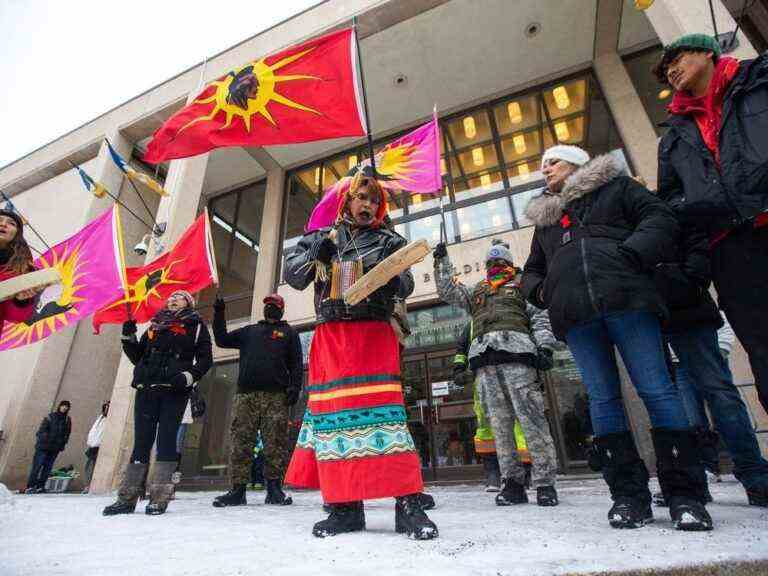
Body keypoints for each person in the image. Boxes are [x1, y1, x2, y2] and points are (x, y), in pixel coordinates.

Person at [522, 145, 713, 531]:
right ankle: (627, 497)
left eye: (553, 162)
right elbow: (531, 271)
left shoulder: (618, 188)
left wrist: (632, 254)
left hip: (629, 301)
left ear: (577, 162)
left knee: (658, 391)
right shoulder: (546, 219)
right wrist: (544, 293)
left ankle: (686, 496)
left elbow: (659, 217)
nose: (545, 170)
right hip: (576, 316)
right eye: (542, 165)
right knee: (602, 399)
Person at [283, 169, 437, 540]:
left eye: (374, 200)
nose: (367, 205)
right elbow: (294, 276)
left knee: (387, 418)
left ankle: (408, 505)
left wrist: (390, 276)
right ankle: (345, 507)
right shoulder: (320, 236)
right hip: (331, 336)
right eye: (361, 197)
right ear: (346, 200)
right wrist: (314, 255)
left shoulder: (388, 239)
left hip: (373, 335)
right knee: (335, 422)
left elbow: (407, 282)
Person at [654, 34, 768, 417]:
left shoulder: (759, 81)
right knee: (762, 347)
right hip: (730, 247)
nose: (671, 69)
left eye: (677, 57)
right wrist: (699, 206)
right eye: (664, 70)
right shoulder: (672, 138)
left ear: (707, 52)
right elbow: (670, 198)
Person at [435, 238, 559, 507]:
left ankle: (545, 483)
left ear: (510, 263)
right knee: (500, 428)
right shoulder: (479, 290)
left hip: (519, 361)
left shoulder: (522, 285)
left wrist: (546, 348)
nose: (495, 265)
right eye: (491, 262)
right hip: (486, 366)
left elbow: (540, 318)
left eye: (500, 261)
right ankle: (511, 482)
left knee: (532, 423)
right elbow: (448, 291)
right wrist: (442, 261)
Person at [655, 212, 768, 508]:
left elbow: (700, 261)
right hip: (662, 333)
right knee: (687, 416)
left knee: (722, 398)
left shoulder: (672, 219)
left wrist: (687, 280)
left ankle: (754, 474)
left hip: (693, 321)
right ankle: (694, 480)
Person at [103, 290, 212, 516]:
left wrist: (187, 377)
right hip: (147, 389)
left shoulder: (196, 325)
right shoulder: (155, 324)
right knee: (141, 442)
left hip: (174, 391)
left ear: (189, 303)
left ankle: (159, 497)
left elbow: (205, 360)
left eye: (179, 297)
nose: (172, 299)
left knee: (166, 441)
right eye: (171, 296)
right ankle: (127, 498)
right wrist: (128, 336)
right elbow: (138, 356)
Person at [211, 293, 301, 508]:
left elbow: (297, 364)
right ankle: (237, 490)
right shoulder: (249, 331)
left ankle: (274, 489)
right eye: (267, 305)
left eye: (274, 305)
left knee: (275, 443)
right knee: (241, 442)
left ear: (281, 309)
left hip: (276, 397)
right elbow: (222, 339)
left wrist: (295, 388)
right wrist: (219, 313)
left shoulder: (289, 333)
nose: (270, 307)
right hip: (246, 396)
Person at [452, 321, 532, 493]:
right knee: (486, 429)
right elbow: (461, 349)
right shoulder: (472, 325)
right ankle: (493, 473)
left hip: (512, 375)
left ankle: (526, 472)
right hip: (483, 381)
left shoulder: (509, 311)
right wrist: (458, 369)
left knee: (519, 427)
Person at [0, 208, 37, 335]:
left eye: (11, 223)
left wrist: (21, 301)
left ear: (16, 234)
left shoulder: (22, 270)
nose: (3, 224)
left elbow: (15, 317)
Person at [25, 400, 72, 494]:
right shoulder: (50, 416)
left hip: (55, 448)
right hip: (43, 447)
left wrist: (62, 444)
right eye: (63, 405)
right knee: (37, 466)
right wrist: (46, 439)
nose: (64, 408)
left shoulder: (67, 420)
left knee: (47, 468)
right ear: (59, 406)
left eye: (66, 406)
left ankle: (40, 487)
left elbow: (67, 434)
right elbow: (41, 431)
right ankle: (30, 486)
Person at [82, 401, 109, 494]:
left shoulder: (108, 420)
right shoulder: (100, 418)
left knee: (93, 466)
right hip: (93, 445)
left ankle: (92, 486)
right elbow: (94, 431)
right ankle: (87, 485)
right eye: (105, 407)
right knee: (89, 467)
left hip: (100, 446)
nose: (106, 409)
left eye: (108, 407)